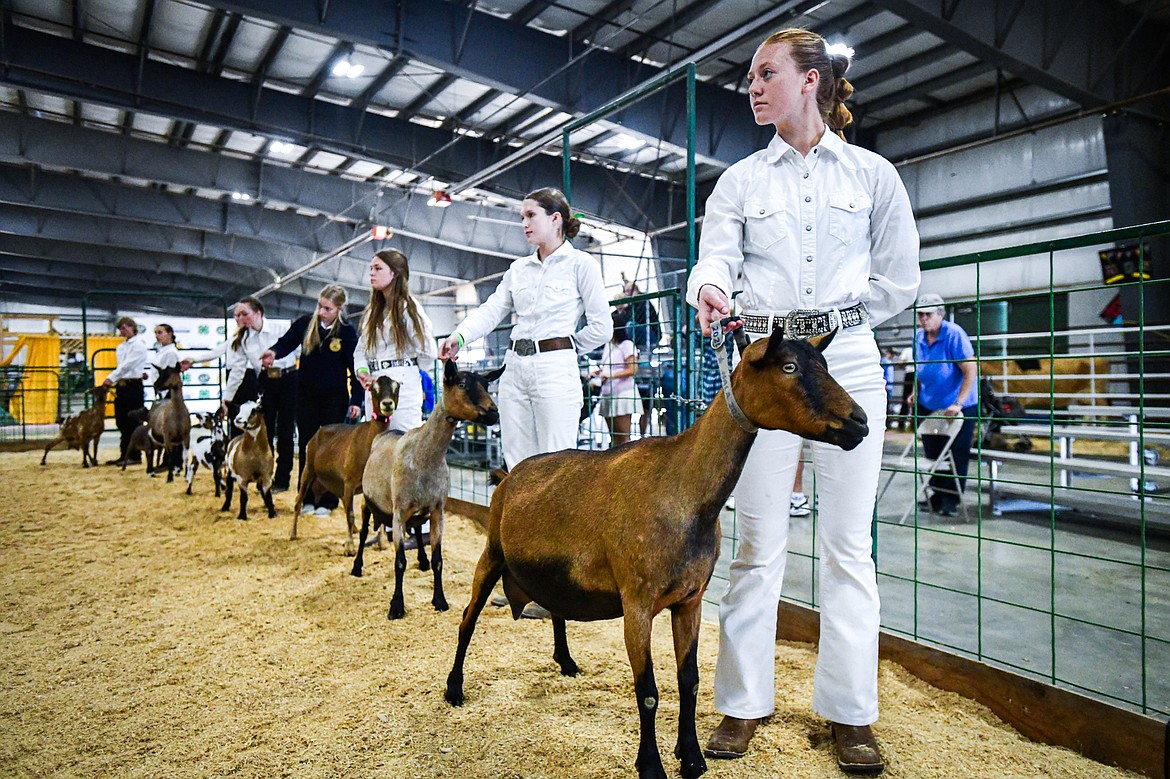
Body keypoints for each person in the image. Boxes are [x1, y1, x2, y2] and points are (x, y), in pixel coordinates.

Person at [687, 29, 920, 774]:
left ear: (810, 79)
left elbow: (899, 275)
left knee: (849, 545)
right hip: (766, 367)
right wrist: (710, 288)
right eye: (750, 77)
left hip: (847, 356)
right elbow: (714, 254)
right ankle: (741, 703)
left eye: (766, 74)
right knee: (756, 544)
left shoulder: (873, 174)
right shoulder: (741, 181)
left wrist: (842, 322)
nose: (752, 87)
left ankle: (850, 714)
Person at [439, 187, 612, 471]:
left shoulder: (582, 265)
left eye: (531, 215)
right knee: (517, 460)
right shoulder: (518, 269)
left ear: (555, 219)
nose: (524, 223)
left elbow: (602, 327)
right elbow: (492, 309)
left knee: (557, 461)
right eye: (522, 217)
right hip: (514, 369)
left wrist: (565, 347)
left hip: (555, 371)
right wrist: (460, 335)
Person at [261, 285, 363, 517]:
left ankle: (328, 501)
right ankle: (305, 496)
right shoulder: (305, 324)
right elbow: (286, 342)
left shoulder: (346, 333)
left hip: (334, 399)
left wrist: (357, 400)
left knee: (331, 451)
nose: (321, 311)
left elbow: (355, 367)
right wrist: (274, 353)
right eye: (319, 305)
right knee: (308, 446)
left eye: (327, 308)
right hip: (305, 396)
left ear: (339, 309)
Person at [183, 297, 298, 490]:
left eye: (244, 314)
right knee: (264, 433)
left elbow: (300, 349)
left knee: (286, 432)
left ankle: (283, 479)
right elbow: (235, 369)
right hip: (265, 383)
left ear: (259, 313)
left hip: (289, 380)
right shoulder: (242, 339)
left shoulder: (281, 328)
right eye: (236, 315)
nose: (239, 318)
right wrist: (226, 400)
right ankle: (265, 477)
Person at [354, 249, 436, 433]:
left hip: (401, 388)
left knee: (403, 445)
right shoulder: (371, 312)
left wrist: (409, 369)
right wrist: (362, 370)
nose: (371, 273)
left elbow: (428, 351)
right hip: (374, 386)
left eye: (378, 268)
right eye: (371, 268)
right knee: (375, 446)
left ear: (394, 273)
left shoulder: (409, 310)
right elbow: (360, 350)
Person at [911, 292, 978, 517]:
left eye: (928, 314)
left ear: (940, 314)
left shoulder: (953, 334)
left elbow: (970, 369)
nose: (923, 319)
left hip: (955, 405)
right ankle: (936, 494)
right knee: (933, 453)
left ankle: (951, 499)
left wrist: (958, 403)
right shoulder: (918, 338)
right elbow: (921, 370)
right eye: (920, 314)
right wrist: (915, 391)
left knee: (955, 454)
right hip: (929, 403)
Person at [615, 279, 663, 436]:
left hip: (648, 336)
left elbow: (631, 318)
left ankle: (642, 433)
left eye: (629, 291)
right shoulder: (623, 311)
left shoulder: (642, 303)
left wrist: (625, 307)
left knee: (629, 325)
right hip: (634, 346)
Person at [102, 316, 150, 466]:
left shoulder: (139, 346)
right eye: (121, 328)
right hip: (122, 385)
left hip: (133, 386)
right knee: (121, 421)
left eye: (125, 327)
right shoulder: (121, 347)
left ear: (132, 327)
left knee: (133, 421)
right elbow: (124, 366)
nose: (123, 331)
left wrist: (111, 378)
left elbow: (127, 366)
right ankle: (124, 454)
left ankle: (135, 455)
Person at [591, 312, 640, 447]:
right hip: (608, 394)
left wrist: (609, 375)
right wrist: (599, 372)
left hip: (623, 394)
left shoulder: (627, 345)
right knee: (614, 437)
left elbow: (632, 369)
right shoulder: (609, 345)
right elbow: (612, 367)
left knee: (623, 438)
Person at [150, 324, 181, 389]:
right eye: (156, 333)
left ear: (169, 334)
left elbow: (170, 376)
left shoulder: (171, 352)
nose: (157, 336)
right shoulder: (162, 351)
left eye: (160, 333)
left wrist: (160, 387)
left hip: (166, 391)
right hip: (159, 390)